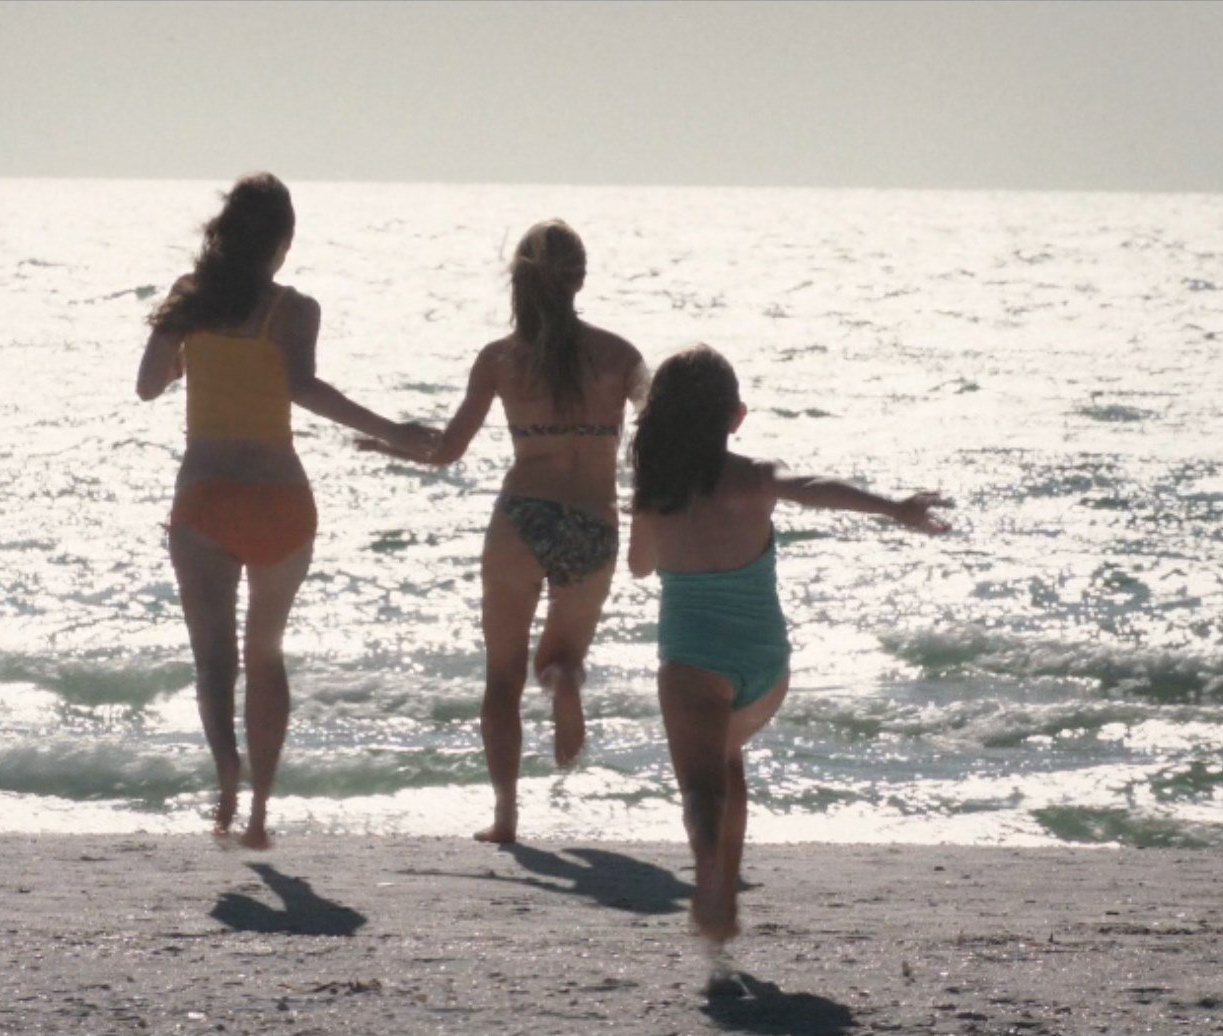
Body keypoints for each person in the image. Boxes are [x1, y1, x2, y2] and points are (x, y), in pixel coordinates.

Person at [136, 173, 434, 849]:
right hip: (280, 500)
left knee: (214, 659)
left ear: (221, 233)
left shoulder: (188, 297)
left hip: (206, 498)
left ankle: (227, 779)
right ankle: (262, 811)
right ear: (283, 241)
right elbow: (303, 387)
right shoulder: (294, 309)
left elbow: (148, 386)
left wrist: (186, 359)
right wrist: (393, 432)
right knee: (265, 656)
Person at [625, 344, 949, 957]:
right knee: (727, 757)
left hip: (693, 657)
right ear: (735, 417)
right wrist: (893, 508)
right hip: (765, 665)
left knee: (700, 787)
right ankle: (725, 884)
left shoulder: (656, 490)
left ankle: (711, 880)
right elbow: (814, 487)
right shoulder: (754, 477)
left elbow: (640, 567)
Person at [361, 220, 648, 844]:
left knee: (502, 678)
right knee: (560, 658)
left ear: (519, 281)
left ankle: (506, 815)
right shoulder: (621, 356)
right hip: (593, 521)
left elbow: (447, 450)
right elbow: (657, 425)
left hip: (521, 517)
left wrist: (388, 443)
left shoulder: (500, 359)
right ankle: (565, 682)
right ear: (580, 279)